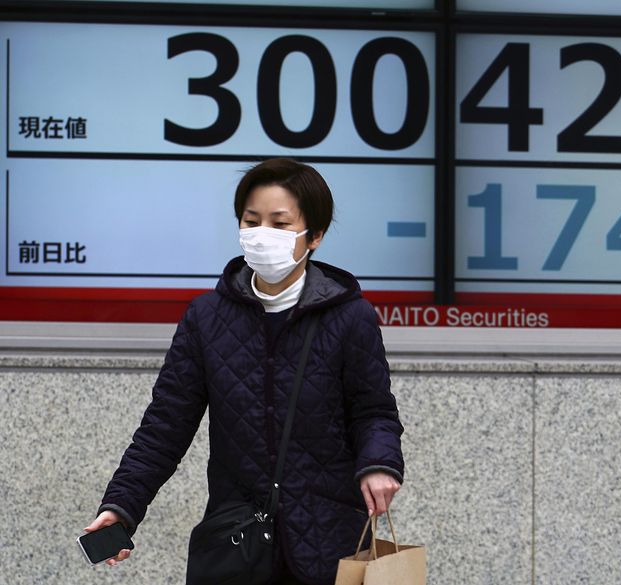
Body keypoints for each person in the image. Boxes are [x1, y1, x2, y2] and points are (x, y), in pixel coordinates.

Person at [84, 158, 404, 585]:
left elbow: (374, 411)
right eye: (252, 221)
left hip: (326, 542)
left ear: (316, 235)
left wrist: (379, 464)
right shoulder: (206, 317)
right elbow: (165, 425)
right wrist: (122, 505)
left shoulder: (350, 317)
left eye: (279, 222)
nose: (261, 234)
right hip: (235, 542)